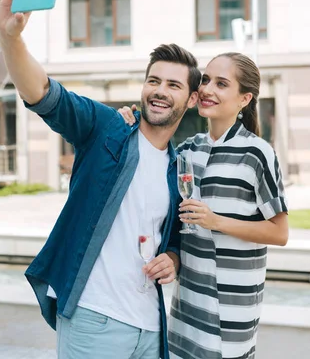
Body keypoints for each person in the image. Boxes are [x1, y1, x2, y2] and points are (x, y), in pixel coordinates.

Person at [0, 0, 202, 359]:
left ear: (190, 99)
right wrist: (11, 39)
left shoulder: (179, 168)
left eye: (173, 85)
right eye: (153, 80)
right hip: (95, 319)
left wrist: (171, 259)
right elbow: (42, 93)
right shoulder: (107, 128)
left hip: (151, 326)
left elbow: (172, 237)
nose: (160, 90)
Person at [119, 52, 289, 359]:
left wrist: (216, 221)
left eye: (222, 84)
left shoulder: (257, 153)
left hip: (231, 311)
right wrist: (127, 122)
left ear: (244, 99)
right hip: (187, 307)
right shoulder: (187, 150)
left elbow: (280, 233)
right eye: (206, 80)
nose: (208, 89)